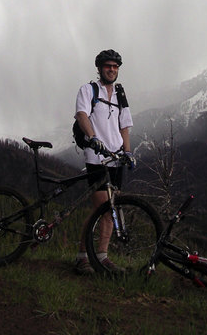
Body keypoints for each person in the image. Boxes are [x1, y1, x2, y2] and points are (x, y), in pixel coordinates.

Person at [74, 49, 135, 275]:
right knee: (101, 208)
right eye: (108, 66)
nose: (112, 70)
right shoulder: (88, 90)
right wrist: (93, 138)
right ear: (100, 68)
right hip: (96, 157)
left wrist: (128, 152)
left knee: (112, 209)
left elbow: (124, 127)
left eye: (115, 66)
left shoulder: (120, 95)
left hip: (116, 159)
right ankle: (82, 257)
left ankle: (101, 256)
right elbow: (81, 115)